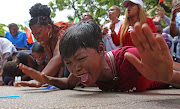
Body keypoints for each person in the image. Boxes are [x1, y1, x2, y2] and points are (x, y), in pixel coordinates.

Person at [16, 20, 180, 91]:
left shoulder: (130, 57)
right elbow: (68, 84)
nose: (76, 68)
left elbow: (173, 73)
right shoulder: (80, 71)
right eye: (69, 63)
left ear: (101, 49)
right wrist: (44, 79)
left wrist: (170, 77)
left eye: (80, 59)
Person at [15, 3, 71, 87]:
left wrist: (40, 79)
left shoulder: (63, 30)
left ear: (49, 28)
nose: (36, 37)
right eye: (34, 34)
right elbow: (50, 60)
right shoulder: (46, 39)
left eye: (38, 33)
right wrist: (47, 80)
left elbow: (57, 57)